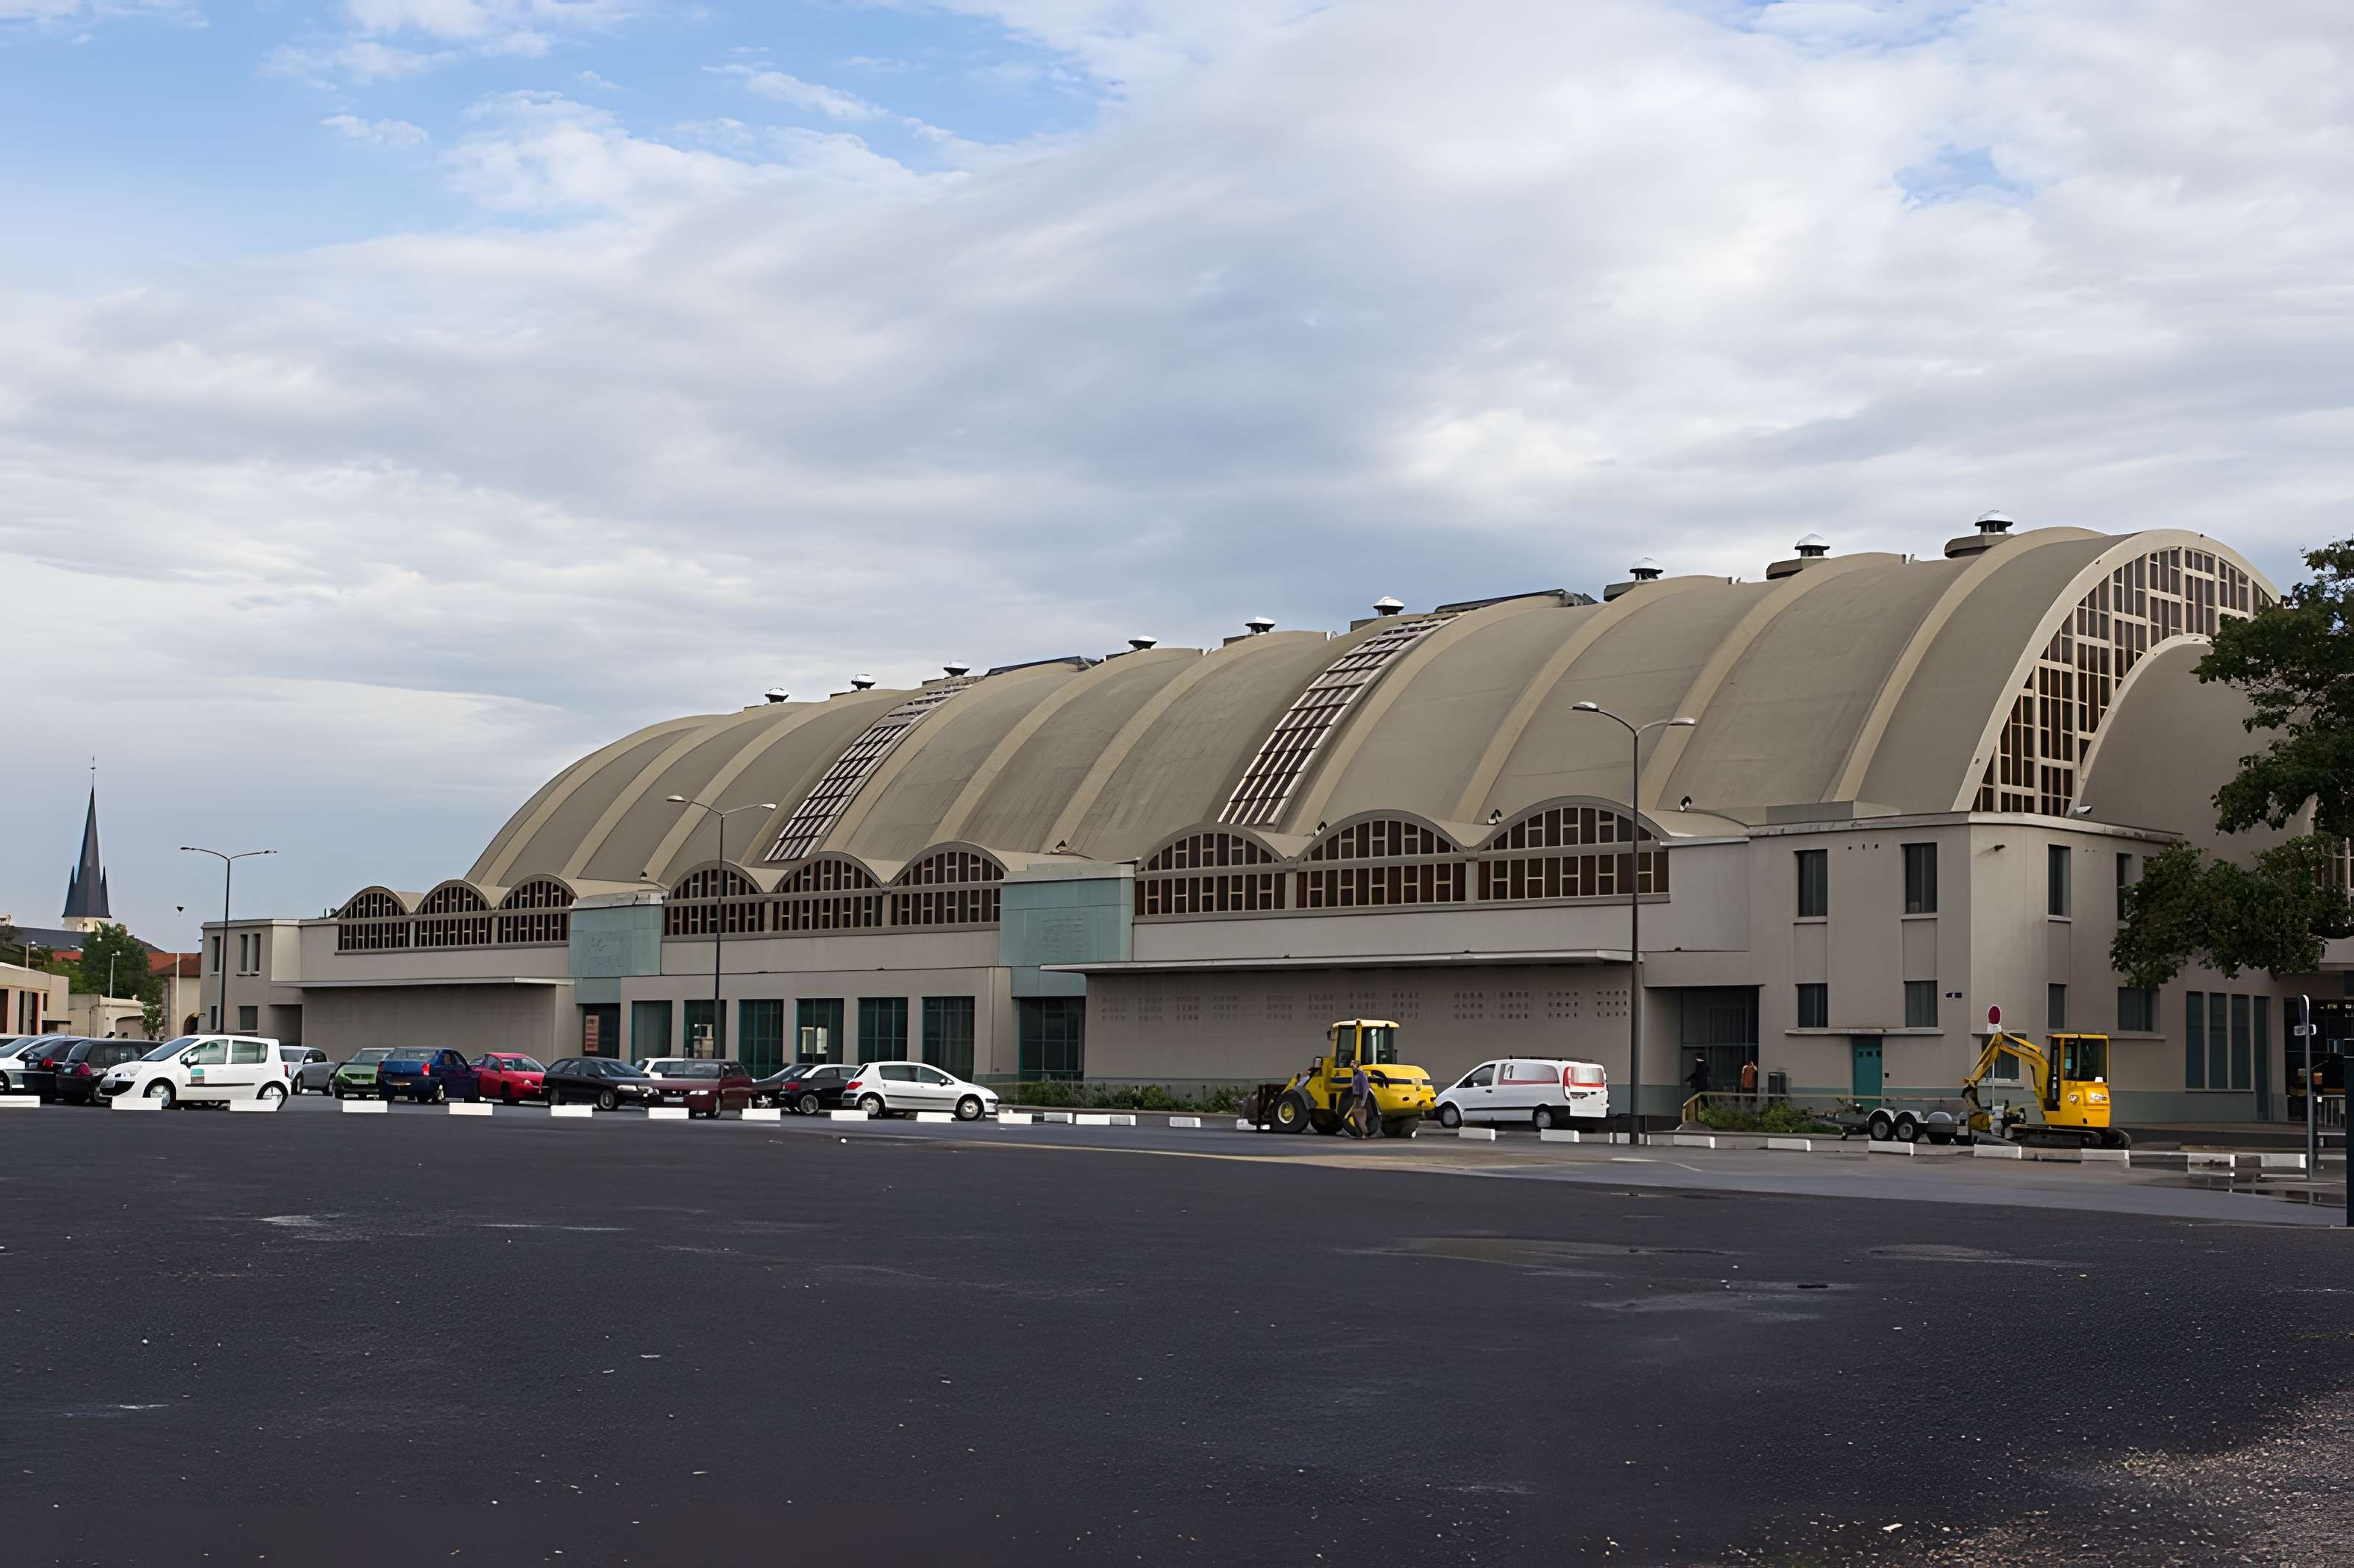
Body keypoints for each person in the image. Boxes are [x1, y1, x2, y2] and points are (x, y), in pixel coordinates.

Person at [1349, 1060, 1373, 1138]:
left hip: (1361, 1097)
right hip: (1356, 1097)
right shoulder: (1354, 1074)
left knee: (1360, 1116)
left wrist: (1363, 1100)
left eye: (1353, 1063)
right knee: (1356, 1115)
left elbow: (1365, 1088)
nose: (1351, 1065)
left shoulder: (1361, 1074)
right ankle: (1359, 1133)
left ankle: (1364, 1133)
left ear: (1357, 1065)